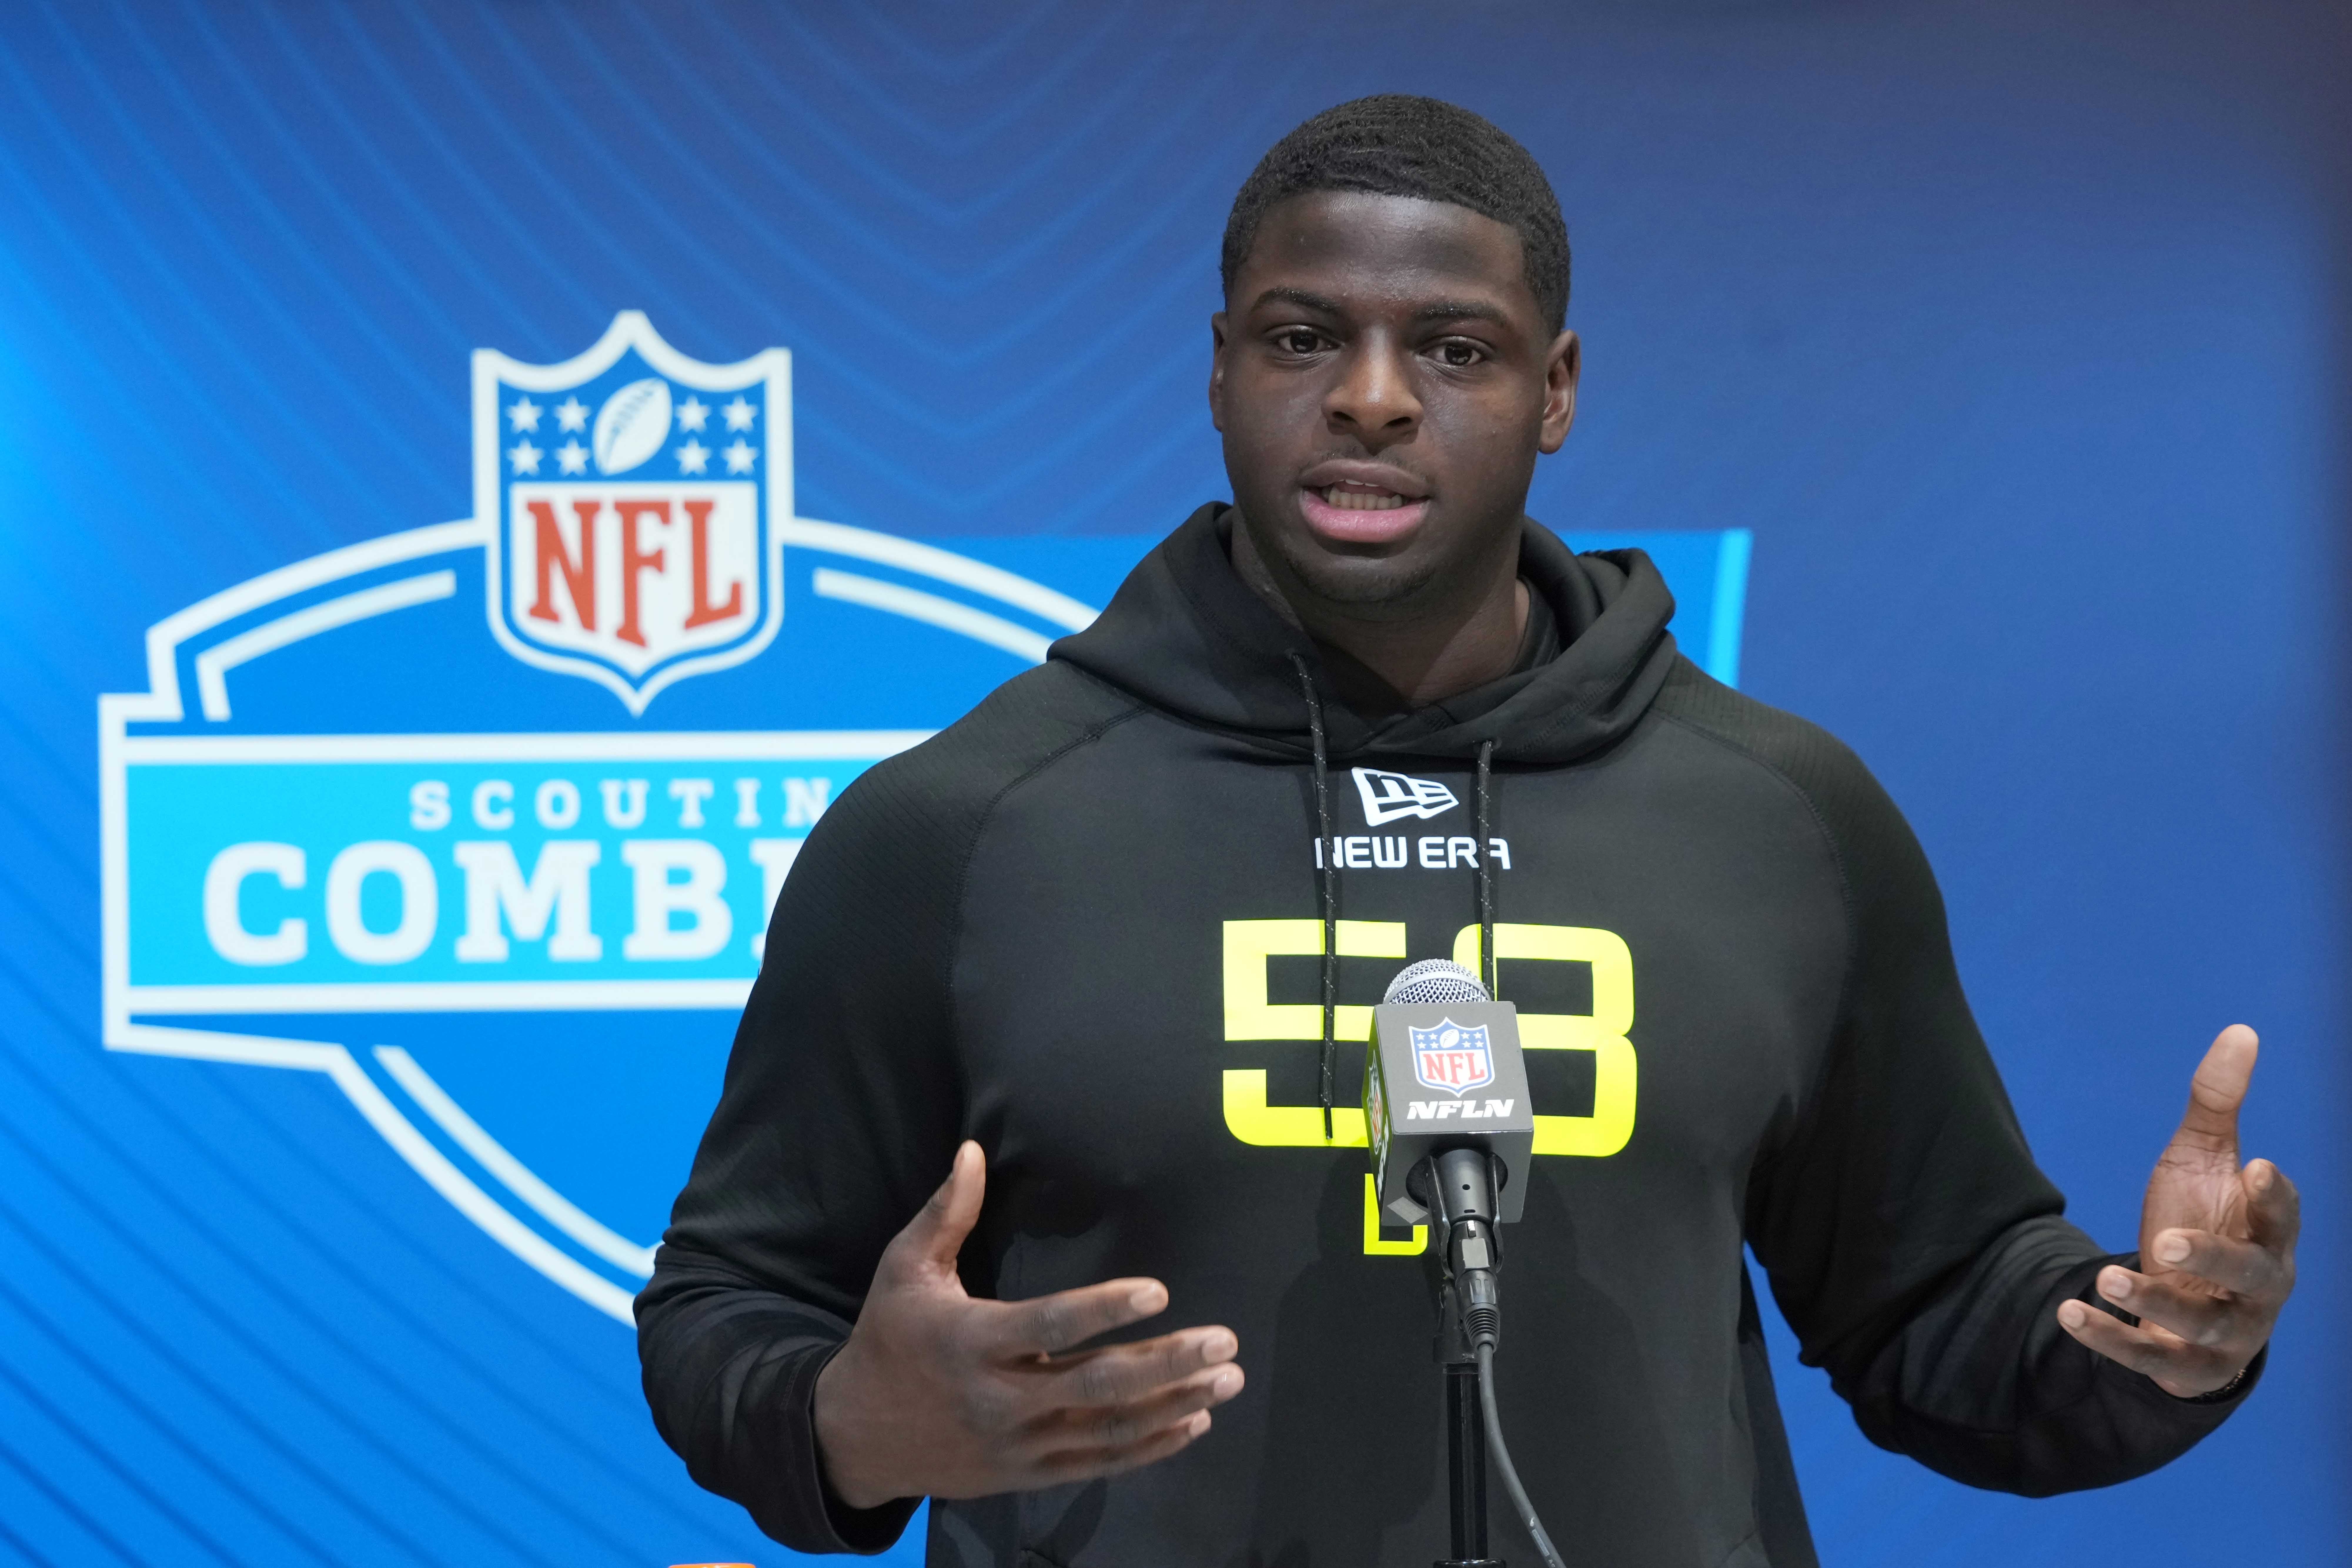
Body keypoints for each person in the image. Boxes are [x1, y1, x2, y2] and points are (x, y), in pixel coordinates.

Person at [636, 96, 2299, 1567]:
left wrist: (2142, 1337)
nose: (1369, 399)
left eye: (1452, 346)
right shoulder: (961, 827)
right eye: (1300, 339)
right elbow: (729, 1312)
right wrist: (853, 1426)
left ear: (1554, 386)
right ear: (1216, 367)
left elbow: (1937, 1307)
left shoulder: (1779, 816)